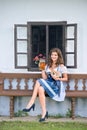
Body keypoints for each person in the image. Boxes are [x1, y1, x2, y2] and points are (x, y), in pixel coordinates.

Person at [23, 48, 68, 122]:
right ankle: (44, 113)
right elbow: (45, 78)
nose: (53, 56)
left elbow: (66, 78)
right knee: (40, 89)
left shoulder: (61, 66)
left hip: (56, 85)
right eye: (52, 55)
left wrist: (57, 78)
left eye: (55, 55)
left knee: (38, 80)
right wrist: (43, 70)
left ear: (58, 56)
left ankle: (31, 102)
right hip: (48, 83)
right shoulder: (47, 65)